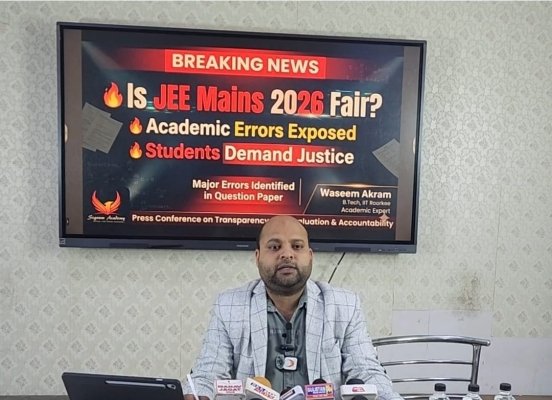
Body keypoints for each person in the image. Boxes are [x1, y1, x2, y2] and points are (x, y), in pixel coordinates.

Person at [182, 215, 402, 400]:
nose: (287, 254)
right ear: (258, 257)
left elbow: (367, 371)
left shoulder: (344, 305)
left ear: (310, 256)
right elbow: (208, 373)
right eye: (274, 247)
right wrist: (197, 393)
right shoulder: (229, 305)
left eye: (297, 246)